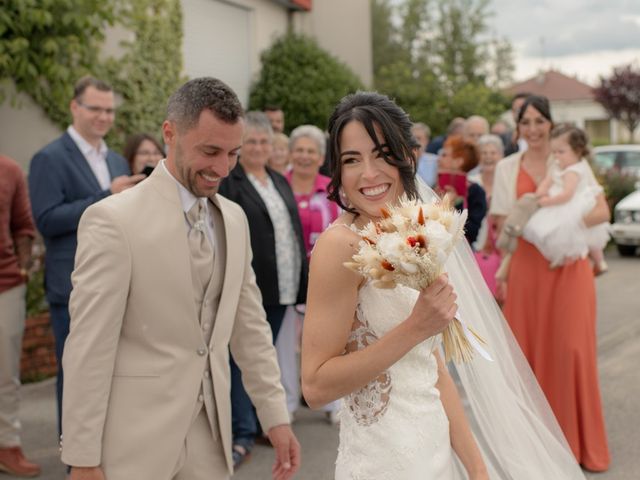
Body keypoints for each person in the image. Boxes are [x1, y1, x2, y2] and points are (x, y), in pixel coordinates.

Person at [301, 91, 587, 480]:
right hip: (382, 462)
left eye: (382, 154)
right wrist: (416, 327)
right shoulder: (340, 247)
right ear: (337, 169)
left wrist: (477, 469)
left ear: (407, 157)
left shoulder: (411, 231)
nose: (368, 173)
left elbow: (434, 368)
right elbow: (315, 386)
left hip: (434, 449)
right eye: (352, 160)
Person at [60, 77, 300, 480]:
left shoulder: (235, 219)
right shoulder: (112, 220)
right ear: (170, 133)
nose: (222, 168)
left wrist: (275, 416)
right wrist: (83, 458)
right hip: (132, 444)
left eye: (233, 154)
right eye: (210, 151)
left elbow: (251, 328)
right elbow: (89, 346)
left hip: (211, 442)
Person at [490, 95, 611, 471]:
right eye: (525, 122)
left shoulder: (571, 160)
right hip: (526, 268)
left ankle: (578, 446)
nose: (533, 129)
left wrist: (567, 223)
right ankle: (533, 451)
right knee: (528, 355)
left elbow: (602, 211)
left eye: (540, 121)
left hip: (570, 268)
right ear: (517, 126)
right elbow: (499, 223)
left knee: (572, 351)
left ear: (551, 123)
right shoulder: (509, 167)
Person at [28, 76, 144, 431]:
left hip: (118, 282)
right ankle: (76, 460)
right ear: (74, 107)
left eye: (109, 110)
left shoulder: (115, 161)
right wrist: (106, 195)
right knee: (78, 376)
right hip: (72, 286)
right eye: (95, 108)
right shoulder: (48, 158)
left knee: (115, 374)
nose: (103, 117)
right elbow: (47, 220)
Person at [218, 111, 307, 467]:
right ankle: (241, 432)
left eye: (263, 142)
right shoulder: (231, 181)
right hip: (253, 286)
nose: (258, 148)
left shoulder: (277, 180)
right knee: (244, 359)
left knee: (263, 357)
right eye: (251, 142)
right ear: (240, 145)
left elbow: (291, 230)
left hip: (284, 285)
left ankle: (258, 424)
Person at [284, 124, 341, 423]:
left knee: (327, 341)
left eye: (311, 151)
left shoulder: (332, 190)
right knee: (285, 343)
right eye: (300, 150)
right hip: (288, 277)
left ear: (321, 157)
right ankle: (288, 402)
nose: (305, 156)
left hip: (325, 277)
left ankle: (334, 404)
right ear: (291, 153)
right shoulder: (278, 185)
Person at [0, 155, 41, 477]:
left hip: (5, 286)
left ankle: (7, 444)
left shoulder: (10, 170)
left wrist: (23, 270)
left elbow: (23, 226)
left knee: (5, 375)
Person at [524, 125, 610, 272]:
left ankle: (592, 260)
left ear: (577, 150)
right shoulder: (557, 165)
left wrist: (548, 201)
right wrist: (540, 192)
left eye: (561, 152)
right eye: (554, 152)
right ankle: (561, 257)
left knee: (569, 232)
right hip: (559, 203)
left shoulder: (574, 170)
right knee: (549, 231)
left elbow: (567, 194)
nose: (557, 155)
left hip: (571, 204)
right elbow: (547, 181)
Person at [437, 135, 487, 244]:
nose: (439, 159)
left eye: (444, 155)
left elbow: (472, 231)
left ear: (458, 161)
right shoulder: (435, 186)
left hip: (460, 252)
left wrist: (452, 204)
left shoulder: (475, 192)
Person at [472, 134, 505, 298]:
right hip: (478, 248)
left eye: (493, 153)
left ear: (501, 156)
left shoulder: (507, 183)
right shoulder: (472, 182)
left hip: (503, 247)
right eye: (484, 153)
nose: (488, 157)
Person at [412, 122, 439, 187]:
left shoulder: (436, 161)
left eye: (419, 138)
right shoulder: (401, 160)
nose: (414, 141)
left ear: (426, 141)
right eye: (412, 138)